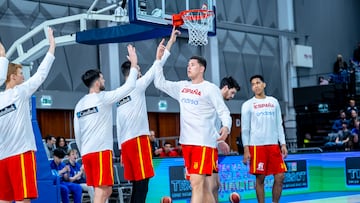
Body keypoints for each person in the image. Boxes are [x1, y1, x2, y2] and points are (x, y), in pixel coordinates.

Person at [154, 27, 232, 203]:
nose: (189, 67)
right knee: (201, 187)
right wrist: (162, 55)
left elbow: (223, 111)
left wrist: (226, 126)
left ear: (202, 68)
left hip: (203, 142)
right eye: (188, 65)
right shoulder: (183, 87)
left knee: (197, 184)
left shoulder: (210, 88)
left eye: (193, 65)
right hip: (187, 142)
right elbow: (159, 82)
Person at [73, 44, 139, 203]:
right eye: (102, 78)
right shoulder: (103, 98)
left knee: (104, 189)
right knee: (102, 191)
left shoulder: (79, 104)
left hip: (88, 153)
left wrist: (83, 153)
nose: (104, 80)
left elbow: (77, 134)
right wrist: (134, 64)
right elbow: (129, 86)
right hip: (100, 152)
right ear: (96, 82)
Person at [0, 27, 55, 203]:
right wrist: (52, 46)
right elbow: (41, 74)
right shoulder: (20, 93)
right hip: (21, 154)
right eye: (21, 74)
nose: (23, 77)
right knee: (24, 200)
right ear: (12, 77)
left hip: (2, 158)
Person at [116, 40, 168, 203]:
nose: (140, 72)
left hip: (125, 144)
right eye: (138, 69)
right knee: (143, 183)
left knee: (137, 183)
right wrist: (165, 51)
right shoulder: (136, 85)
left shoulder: (119, 94)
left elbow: (118, 124)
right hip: (138, 140)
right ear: (133, 72)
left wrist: (121, 150)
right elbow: (155, 70)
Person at [241, 75, 288, 203]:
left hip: (273, 146)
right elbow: (245, 129)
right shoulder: (247, 105)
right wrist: (246, 149)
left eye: (258, 83)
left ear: (264, 84)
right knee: (260, 178)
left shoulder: (274, 102)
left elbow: (279, 124)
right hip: (256, 146)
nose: (256, 85)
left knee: (280, 176)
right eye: (253, 84)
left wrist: (283, 144)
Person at [207, 76, 240, 203]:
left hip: (213, 149)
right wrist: (220, 141)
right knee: (208, 186)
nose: (232, 96)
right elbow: (208, 125)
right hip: (205, 148)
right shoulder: (212, 100)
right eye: (232, 92)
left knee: (215, 185)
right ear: (225, 88)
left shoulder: (220, 105)